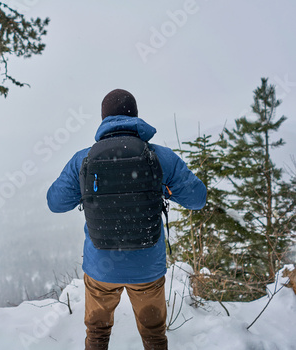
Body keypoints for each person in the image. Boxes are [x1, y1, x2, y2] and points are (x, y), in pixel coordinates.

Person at [46, 89, 207, 350]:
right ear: (136, 116)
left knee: (97, 334)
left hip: (102, 267)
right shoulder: (160, 157)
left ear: (103, 118)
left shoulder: (83, 160)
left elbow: (55, 203)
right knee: (155, 336)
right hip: (147, 268)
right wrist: (163, 187)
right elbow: (198, 199)